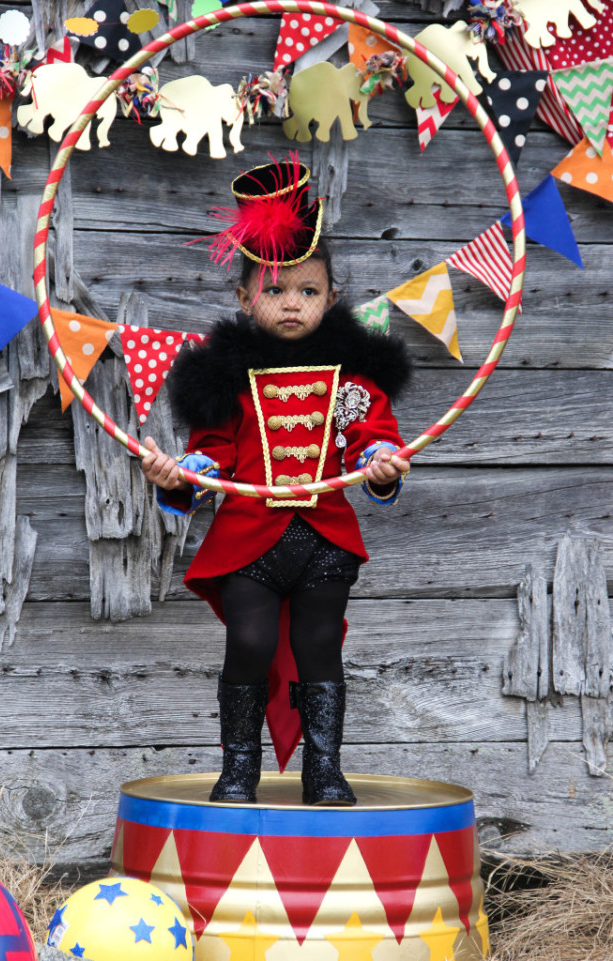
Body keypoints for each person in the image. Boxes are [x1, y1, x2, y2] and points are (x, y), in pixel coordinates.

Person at [141, 155, 411, 807]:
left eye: (308, 291)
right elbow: (208, 462)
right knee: (252, 641)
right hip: (248, 540)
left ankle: (324, 770)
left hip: (323, 538)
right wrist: (176, 474)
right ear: (243, 298)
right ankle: (239, 768)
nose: (292, 302)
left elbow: (367, 435)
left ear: (332, 297)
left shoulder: (348, 380)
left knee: (319, 643)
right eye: (274, 289)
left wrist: (379, 465)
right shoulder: (230, 384)